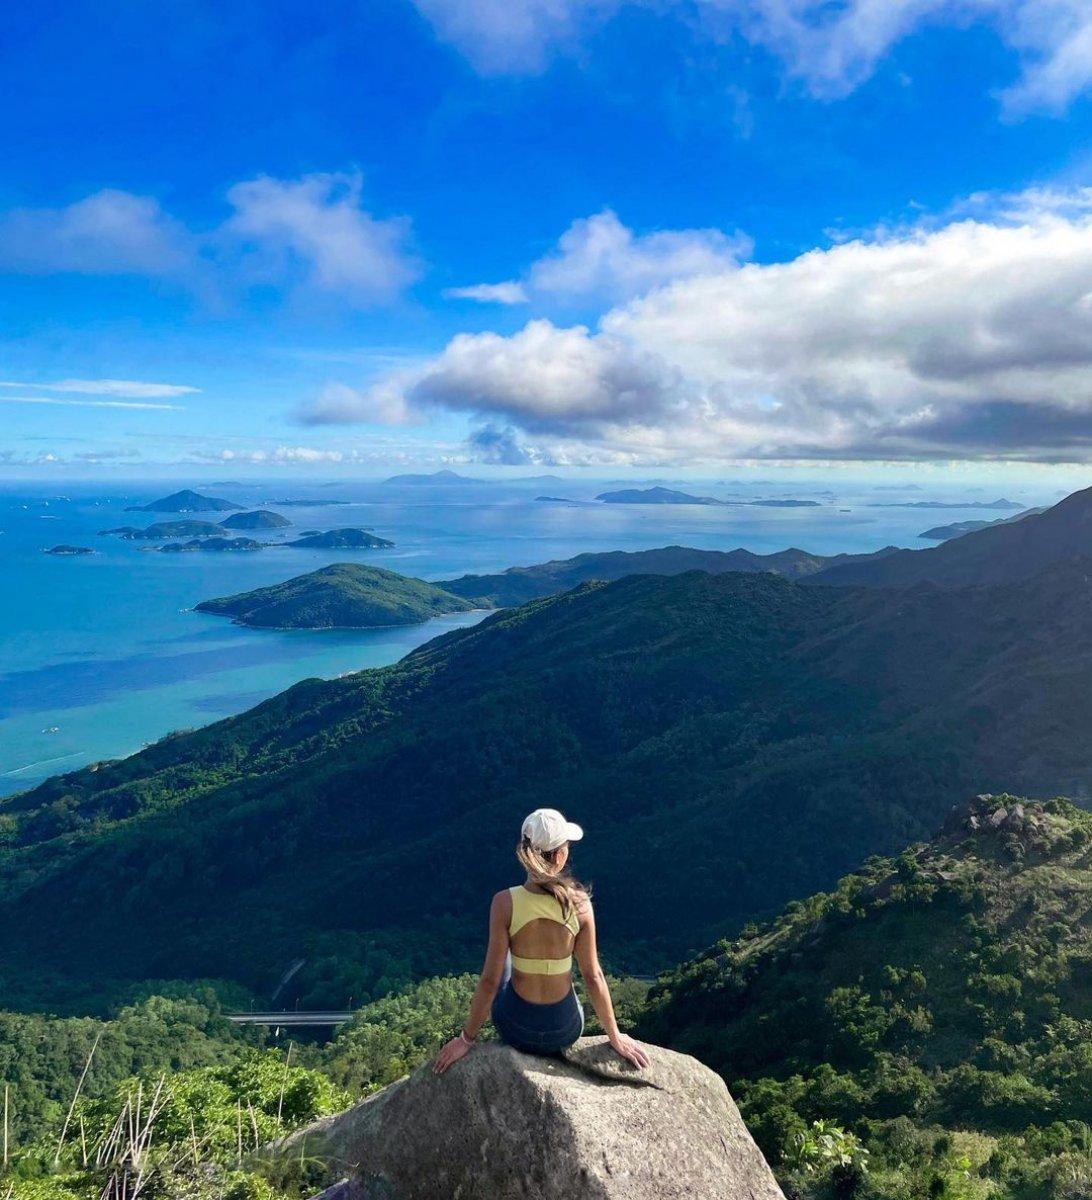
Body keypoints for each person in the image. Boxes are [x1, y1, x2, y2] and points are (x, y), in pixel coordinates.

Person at [433, 808, 651, 1073]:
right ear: (560, 856)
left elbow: (490, 981)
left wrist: (466, 1039)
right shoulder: (579, 905)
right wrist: (615, 1036)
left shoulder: (504, 903)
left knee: (504, 960)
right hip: (565, 1030)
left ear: (525, 852)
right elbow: (593, 976)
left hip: (516, 1029)